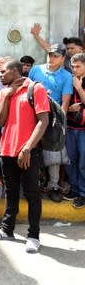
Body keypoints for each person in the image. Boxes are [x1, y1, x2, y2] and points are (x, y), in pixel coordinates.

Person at [0, 59, 49, 254]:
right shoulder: (4, 92)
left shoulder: (35, 88)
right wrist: (8, 95)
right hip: (7, 150)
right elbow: (0, 122)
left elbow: (43, 121)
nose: (0, 75)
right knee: (10, 192)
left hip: (28, 151)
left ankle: (34, 236)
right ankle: (6, 230)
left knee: (32, 194)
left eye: (3, 72)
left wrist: (27, 148)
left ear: (16, 71)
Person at [29, 43, 73, 202]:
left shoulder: (67, 76)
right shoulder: (35, 70)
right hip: (34, 117)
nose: (51, 58)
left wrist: (59, 123)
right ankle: (34, 185)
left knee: (54, 154)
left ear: (62, 59)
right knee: (33, 150)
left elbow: (65, 103)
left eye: (55, 56)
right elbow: (27, 93)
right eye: (50, 55)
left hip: (54, 118)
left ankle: (54, 185)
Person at [64, 53, 85, 208]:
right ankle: (75, 190)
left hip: (84, 129)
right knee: (70, 160)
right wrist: (69, 108)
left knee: (83, 163)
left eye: (78, 66)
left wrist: (79, 87)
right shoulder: (68, 80)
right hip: (70, 126)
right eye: (73, 66)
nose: (75, 69)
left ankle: (83, 194)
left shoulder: (77, 83)